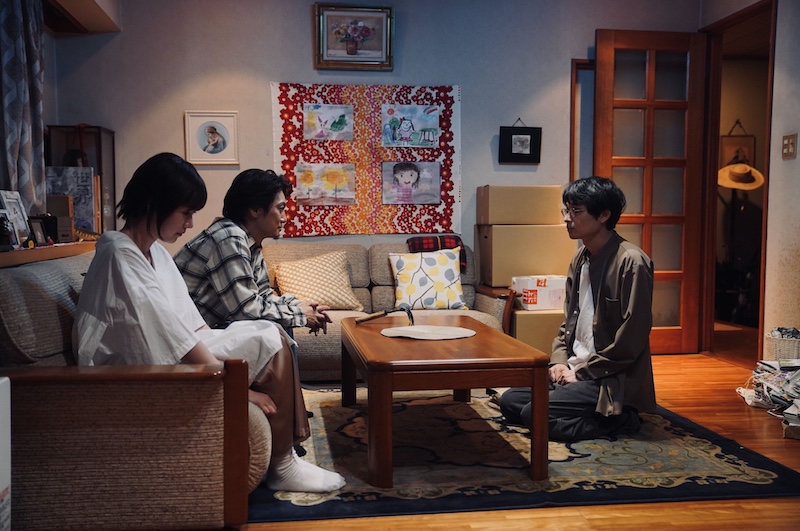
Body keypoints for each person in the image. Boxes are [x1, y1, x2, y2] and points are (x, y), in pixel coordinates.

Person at [72, 153, 345, 493]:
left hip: (177, 347)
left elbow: (191, 323)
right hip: (134, 371)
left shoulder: (154, 252)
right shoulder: (119, 254)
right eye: (186, 213)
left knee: (270, 332)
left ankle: (285, 458)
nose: (190, 224)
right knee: (269, 334)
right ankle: (283, 463)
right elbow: (173, 336)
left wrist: (246, 338)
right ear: (155, 203)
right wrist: (238, 389)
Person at [499, 176, 656, 442]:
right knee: (509, 401)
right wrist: (559, 362)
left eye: (576, 211)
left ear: (603, 215)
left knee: (533, 415)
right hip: (576, 369)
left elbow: (632, 338)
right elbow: (568, 324)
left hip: (608, 378)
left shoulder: (632, 262)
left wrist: (582, 373)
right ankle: (578, 407)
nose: (567, 218)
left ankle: (621, 418)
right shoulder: (580, 258)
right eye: (566, 210)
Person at [173, 168, 331, 336]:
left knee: (278, 323)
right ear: (255, 210)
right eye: (280, 209)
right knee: (273, 327)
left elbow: (263, 296)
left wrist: (300, 306)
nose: (284, 218)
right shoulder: (228, 237)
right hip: (183, 335)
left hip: (205, 330)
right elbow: (246, 309)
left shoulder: (252, 245)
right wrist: (300, 315)